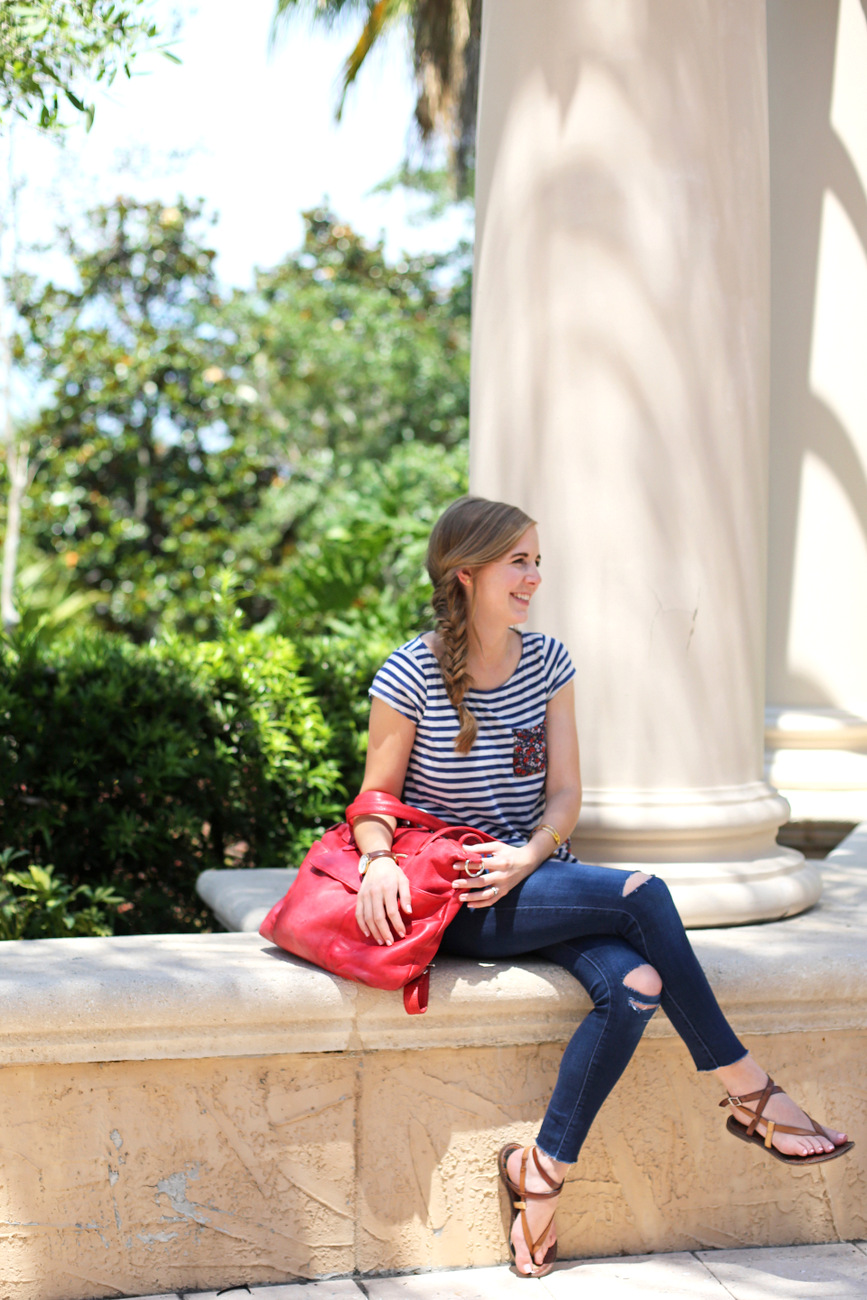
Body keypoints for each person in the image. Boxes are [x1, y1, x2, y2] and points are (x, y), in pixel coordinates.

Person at [350, 496, 852, 1279]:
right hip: (460, 897)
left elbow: (564, 795)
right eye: (518, 561)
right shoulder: (409, 672)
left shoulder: (548, 661)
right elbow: (373, 801)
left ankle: (539, 1171)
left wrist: (530, 853)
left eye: (536, 560)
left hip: (533, 875)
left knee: (637, 985)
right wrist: (378, 860)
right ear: (465, 573)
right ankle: (750, 1093)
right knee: (644, 892)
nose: (533, 577)